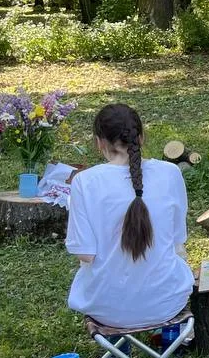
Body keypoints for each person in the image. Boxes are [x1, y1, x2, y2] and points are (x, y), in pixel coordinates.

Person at [65, 103, 194, 330]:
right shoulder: (170, 173)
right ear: (141, 138)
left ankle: (119, 350)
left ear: (99, 143)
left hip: (106, 309)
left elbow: (85, 254)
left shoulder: (85, 182)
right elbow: (177, 240)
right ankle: (168, 338)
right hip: (167, 303)